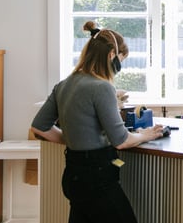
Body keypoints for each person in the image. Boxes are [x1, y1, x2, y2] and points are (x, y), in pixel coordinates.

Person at [31, 21, 166, 223]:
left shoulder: (64, 84)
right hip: (97, 179)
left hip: (73, 176)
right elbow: (121, 140)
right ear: (112, 54)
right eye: (121, 60)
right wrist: (147, 134)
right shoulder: (102, 87)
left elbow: (38, 127)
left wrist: (71, 140)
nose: (119, 67)